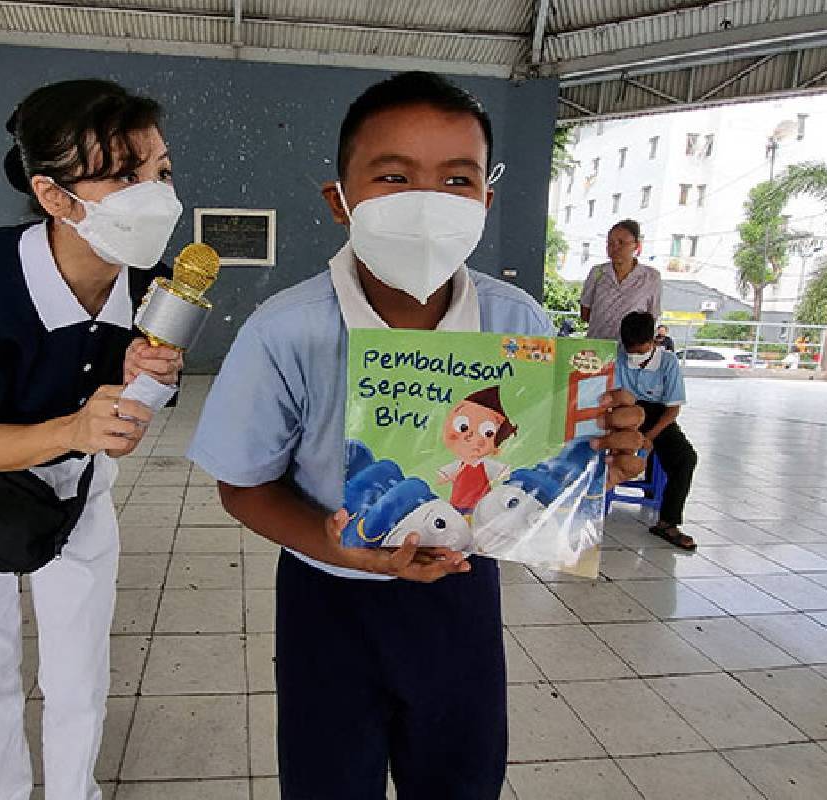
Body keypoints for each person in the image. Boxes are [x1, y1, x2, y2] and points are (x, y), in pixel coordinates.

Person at [186, 71, 645, 800]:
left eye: (457, 179)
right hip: (329, 596)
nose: (428, 203)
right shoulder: (287, 329)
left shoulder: (517, 323)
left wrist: (606, 455)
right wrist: (336, 546)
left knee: (460, 780)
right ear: (341, 200)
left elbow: (553, 463)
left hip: (461, 598)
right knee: (328, 782)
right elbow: (241, 485)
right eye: (394, 176)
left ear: (486, 203)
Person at [0, 79, 182, 800]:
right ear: (55, 196)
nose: (154, 192)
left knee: (79, 678)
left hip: (75, 496)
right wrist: (73, 426)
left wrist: (144, 383)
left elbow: (136, 409)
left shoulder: (158, 279)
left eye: (160, 170)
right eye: (125, 174)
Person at [616, 311, 698, 550]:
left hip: (657, 417)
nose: (634, 355)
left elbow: (672, 410)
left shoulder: (668, 362)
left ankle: (668, 523)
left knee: (686, 458)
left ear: (653, 342)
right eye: (630, 350)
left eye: (640, 351)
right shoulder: (617, 357)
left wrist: (648, 438)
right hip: (622, 412)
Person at [580, 219, 662, 341]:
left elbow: (652, 316)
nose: (615, 248)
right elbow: (585, 313)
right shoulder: (597, 272)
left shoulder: (651, 277)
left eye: (622, 243)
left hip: (631, 351)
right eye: (611, 243)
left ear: (637, 245)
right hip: (598, 348)